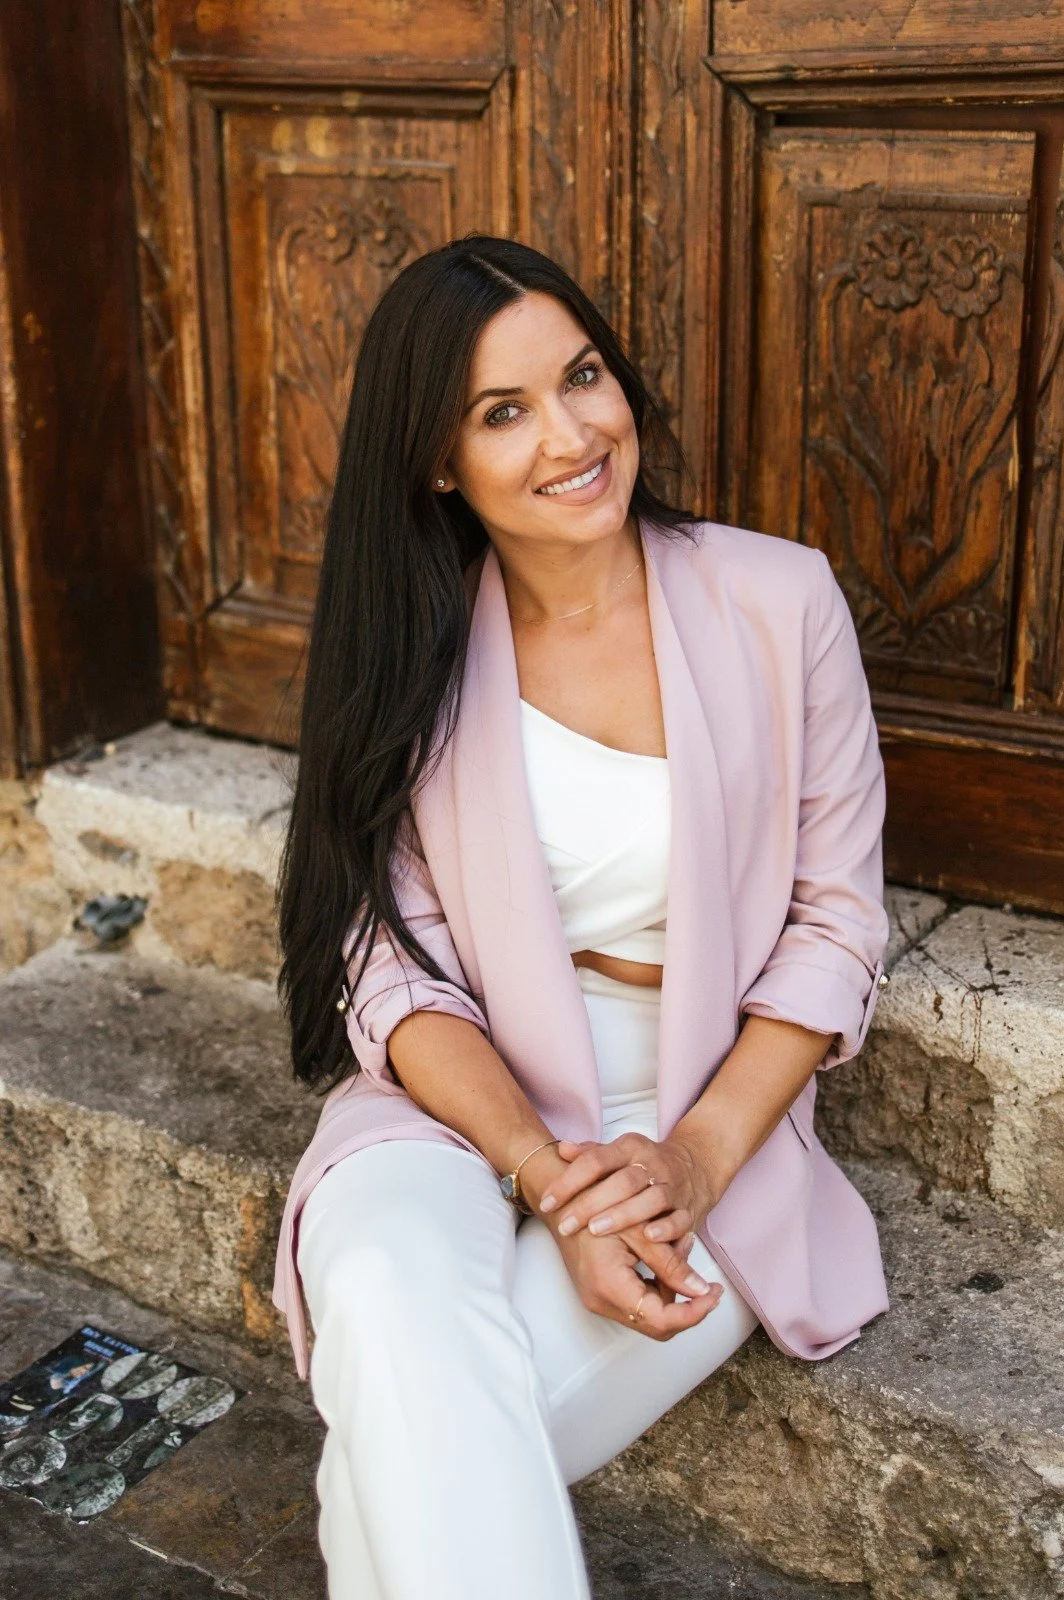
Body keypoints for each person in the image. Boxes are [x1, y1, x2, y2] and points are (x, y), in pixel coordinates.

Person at [272, 234, 892, 1598]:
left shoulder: (776, 599)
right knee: (378, 1273)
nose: (569, 434)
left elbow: (836, 926)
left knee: (389, 1468)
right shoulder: (409, 652)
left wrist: (686, 1164)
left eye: (582, 378)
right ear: (439, 462)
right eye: (502, 412)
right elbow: (385, 963)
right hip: (459, 1095)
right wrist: (541, 1172)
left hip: (694, 1110)